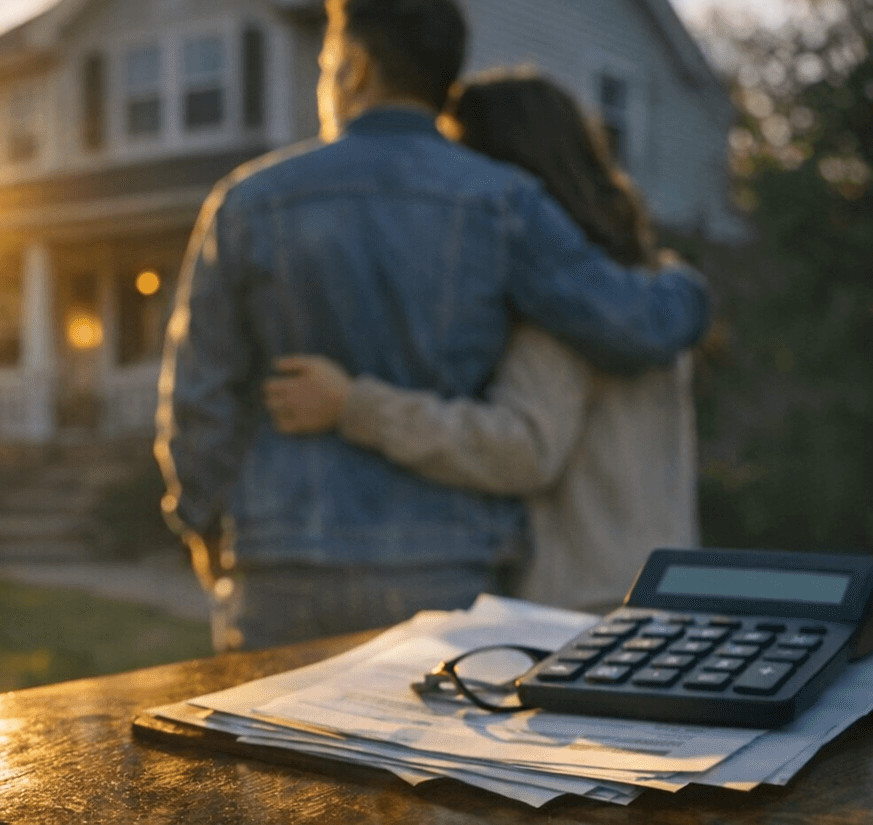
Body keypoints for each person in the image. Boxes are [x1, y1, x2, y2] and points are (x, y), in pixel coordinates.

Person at [156, 0, 711, 651]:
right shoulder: (504, 202)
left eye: (326, 66)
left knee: (268, 727)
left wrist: (201, 518)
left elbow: (200, 393)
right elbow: (631, 323)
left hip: (284, 558)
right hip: (449, 566)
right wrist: (686, 288)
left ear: (356, 68)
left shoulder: (248, 201)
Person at [262, 73, 697, 613]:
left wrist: (353, 404)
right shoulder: (639, 289)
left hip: (582, 607)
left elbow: (522, 448)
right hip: (653, 586)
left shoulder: (565, 308)